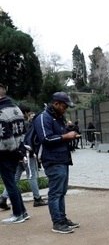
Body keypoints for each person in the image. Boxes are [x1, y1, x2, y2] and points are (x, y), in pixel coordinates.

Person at [34, 92, 81, 234]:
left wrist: (69, 131)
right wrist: (66, 136)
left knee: (62, 191)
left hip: (62, 158)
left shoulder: (58, 117)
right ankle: (57, 222)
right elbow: (46, 139)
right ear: (56, 104)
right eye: (64, 106)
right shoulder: (43, 118)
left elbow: (60, 134)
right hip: (52, 159)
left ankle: (62, 218)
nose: (65, 109)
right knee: (55, 192)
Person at [0, 108, 47, 209]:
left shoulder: (19, 122)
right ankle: (37, 198)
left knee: (16, 177)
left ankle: (3, 197)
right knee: (31, 175)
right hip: (27, 152)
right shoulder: (31, 125)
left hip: (18, 152)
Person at [0, 83, 30, 224]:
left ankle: (18, 213)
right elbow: (24, 131)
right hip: (17, 149)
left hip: (6, 152)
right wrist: (21, 150)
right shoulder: (16, 108)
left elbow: (5, 136)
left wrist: (14, 151)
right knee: (13, 182)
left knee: (10, 183)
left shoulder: (1, 111)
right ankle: (22, 211)